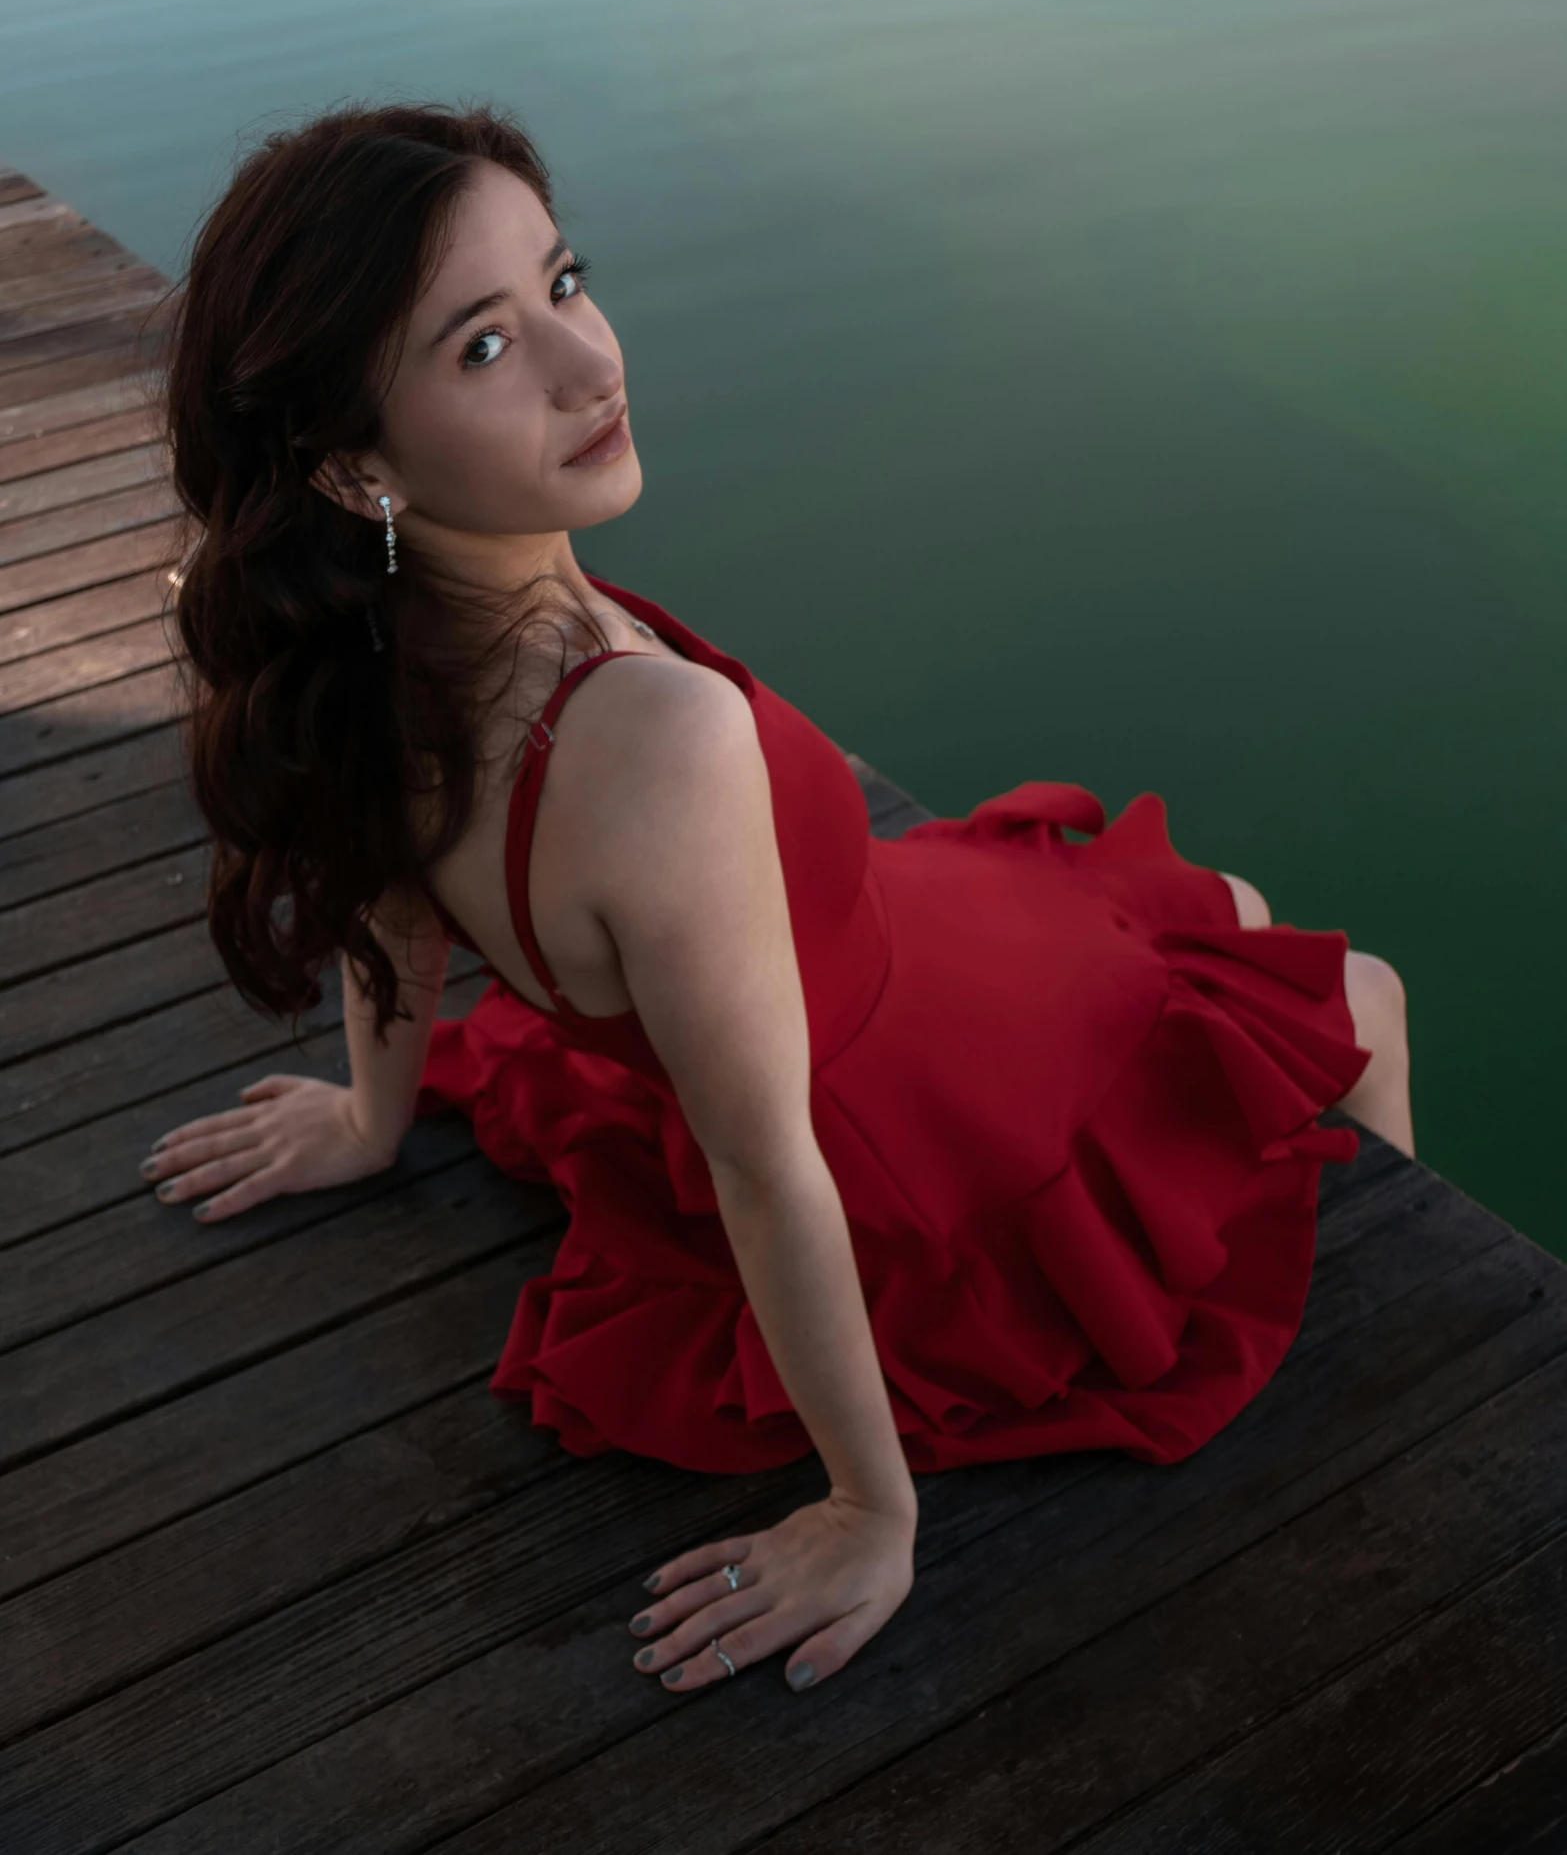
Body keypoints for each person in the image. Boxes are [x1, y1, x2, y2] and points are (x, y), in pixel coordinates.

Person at [146, 102, 1413, 1701]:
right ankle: (1395, 1343)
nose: (589, 362)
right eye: (481, 347)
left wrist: (371, 1116)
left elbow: (390, 907)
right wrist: (867, 1507)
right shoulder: (650, 741)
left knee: (1216, 907)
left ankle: (1347, 1251)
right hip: (894, 1096)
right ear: (348, 462)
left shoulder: (370, 654)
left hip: (858, 943)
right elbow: (763, 1164)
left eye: (565, 280)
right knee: (1347, 995)